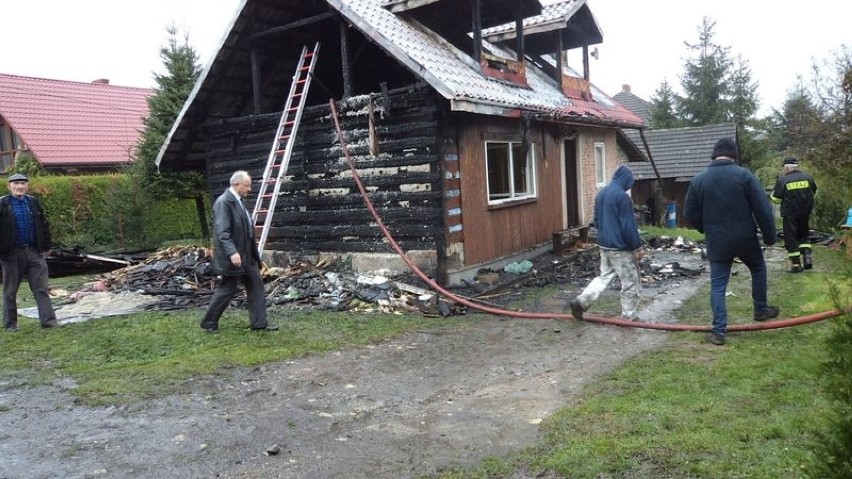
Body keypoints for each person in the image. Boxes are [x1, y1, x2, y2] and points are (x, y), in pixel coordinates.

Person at [684, 138, 778, 346]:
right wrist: (770, 236)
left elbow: (689, 212)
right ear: (734, 155)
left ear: (714, 154)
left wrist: (705, 227)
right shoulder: (745, 176)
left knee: (718, 285)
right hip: (745, 238)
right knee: (758, 268)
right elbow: (762, 208)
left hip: (717, 241)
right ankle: (761, 309)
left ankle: (718, 332)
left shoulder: (699, 180)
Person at [200, 170, 278, 332]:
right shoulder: (224, 202)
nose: (249, 189)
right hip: (234, 256)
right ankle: (209, 322)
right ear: (236, 184)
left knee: (256, 287)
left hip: (247, 256)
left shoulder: (239, 201)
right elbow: (222, 232)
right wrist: (232, 252)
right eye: (246, 185)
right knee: (227, 289)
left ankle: (259, 324)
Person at [569, 165, 644, 322]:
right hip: (620, 249)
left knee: (604, 277)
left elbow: (596, 221)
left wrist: (606, 235)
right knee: (630, 281)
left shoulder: (601, 194)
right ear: (626, 181)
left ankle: (582, 302)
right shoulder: (622, 198)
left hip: (604, 245)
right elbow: (628, 226)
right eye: (631, 182)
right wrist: (637, 246)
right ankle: (629, 317)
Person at [0, 173, 58, 331]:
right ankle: (10, 324)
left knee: (41, 288)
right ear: (9, 186)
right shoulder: (3, 204)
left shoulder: (32, 202)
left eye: (22, 184)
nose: (19, 187)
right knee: (10, 291)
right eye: (16, 183)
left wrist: (46, 247)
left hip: (33, 251)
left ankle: (49, 322)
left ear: (27, 186)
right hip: (11, 253)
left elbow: (43, 225)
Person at [771, 157, 817, 273]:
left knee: (791, 238)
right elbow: (814, 190)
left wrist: (772, 194)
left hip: (790, 214)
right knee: (804, 234)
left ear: (786, 167)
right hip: (805, 212)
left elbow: (776, 199)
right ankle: (807, 258)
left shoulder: (783, 180)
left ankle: (796, 265)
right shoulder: (808, 177)